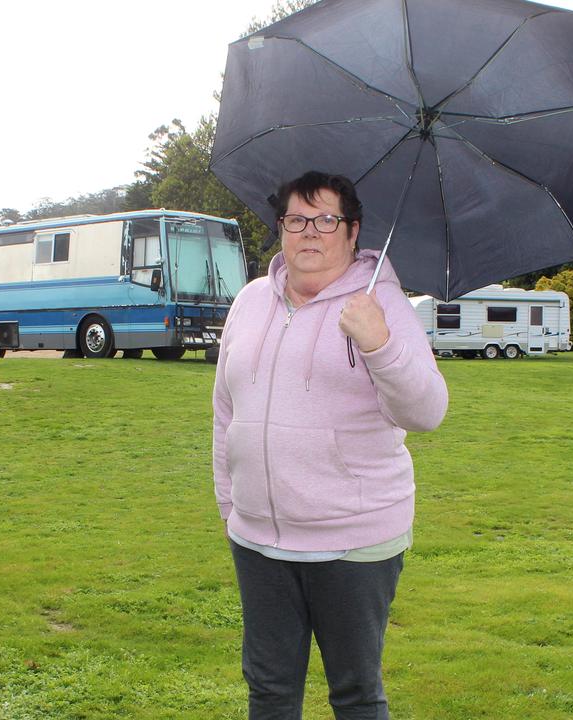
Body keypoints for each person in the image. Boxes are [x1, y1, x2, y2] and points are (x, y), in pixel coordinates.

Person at [212, 171, 449, 719]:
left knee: (356, 694)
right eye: (297, 220)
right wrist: (231, 506)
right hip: (259, 543)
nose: (310, 233)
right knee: (269, 691)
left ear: (352, 231)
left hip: (353, 544)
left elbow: (427, 412)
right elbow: (225, 410)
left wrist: (380, 343)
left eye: (326, 220)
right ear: (281, 229)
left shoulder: (381, 305)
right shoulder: (249, 302)